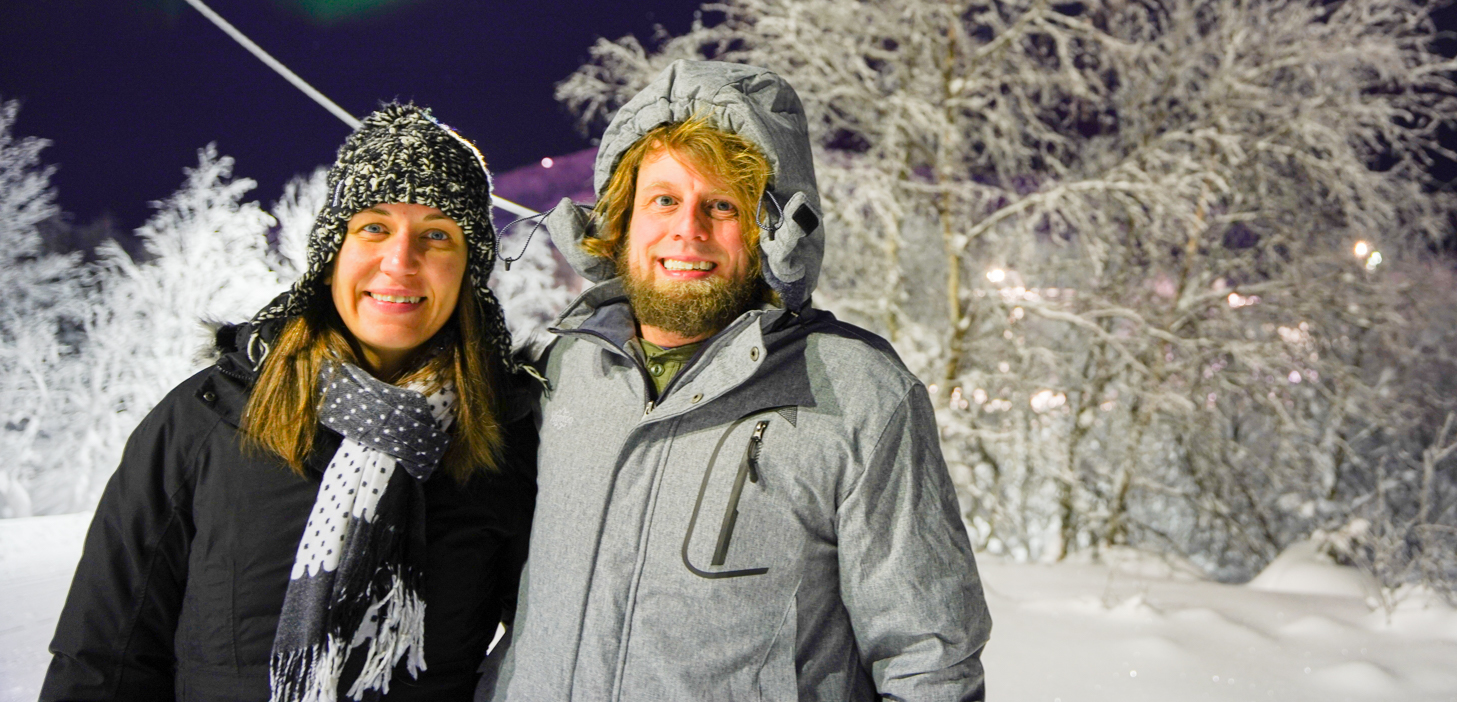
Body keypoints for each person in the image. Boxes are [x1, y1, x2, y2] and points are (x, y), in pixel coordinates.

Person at [495, 60, 989, 701]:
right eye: (664, 199)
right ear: (620, 221)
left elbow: (930, 667)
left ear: (771, 229)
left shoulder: (857, 394)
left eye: (722, 204)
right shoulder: (560, 371)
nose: (688, 230)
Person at [42, 104, 540, 702]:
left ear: (469, 267)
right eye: (373, 228)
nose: (400, 261)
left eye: (437, 234)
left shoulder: (507, 439)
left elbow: (556, 650)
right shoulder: (208, 418)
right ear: (333, 253)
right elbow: (104, 658)